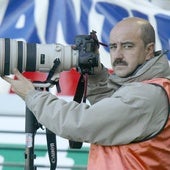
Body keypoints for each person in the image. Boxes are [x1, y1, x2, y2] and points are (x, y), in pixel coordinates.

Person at [2, 17, 170, 170]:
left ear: (149, 50)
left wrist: (33, 97)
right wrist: (96, 75)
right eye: (113, 47)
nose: (118, 55)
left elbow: (80, 123)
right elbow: (111, 113)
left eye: (127, 46)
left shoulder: (147, 95)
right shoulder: (141, 87)